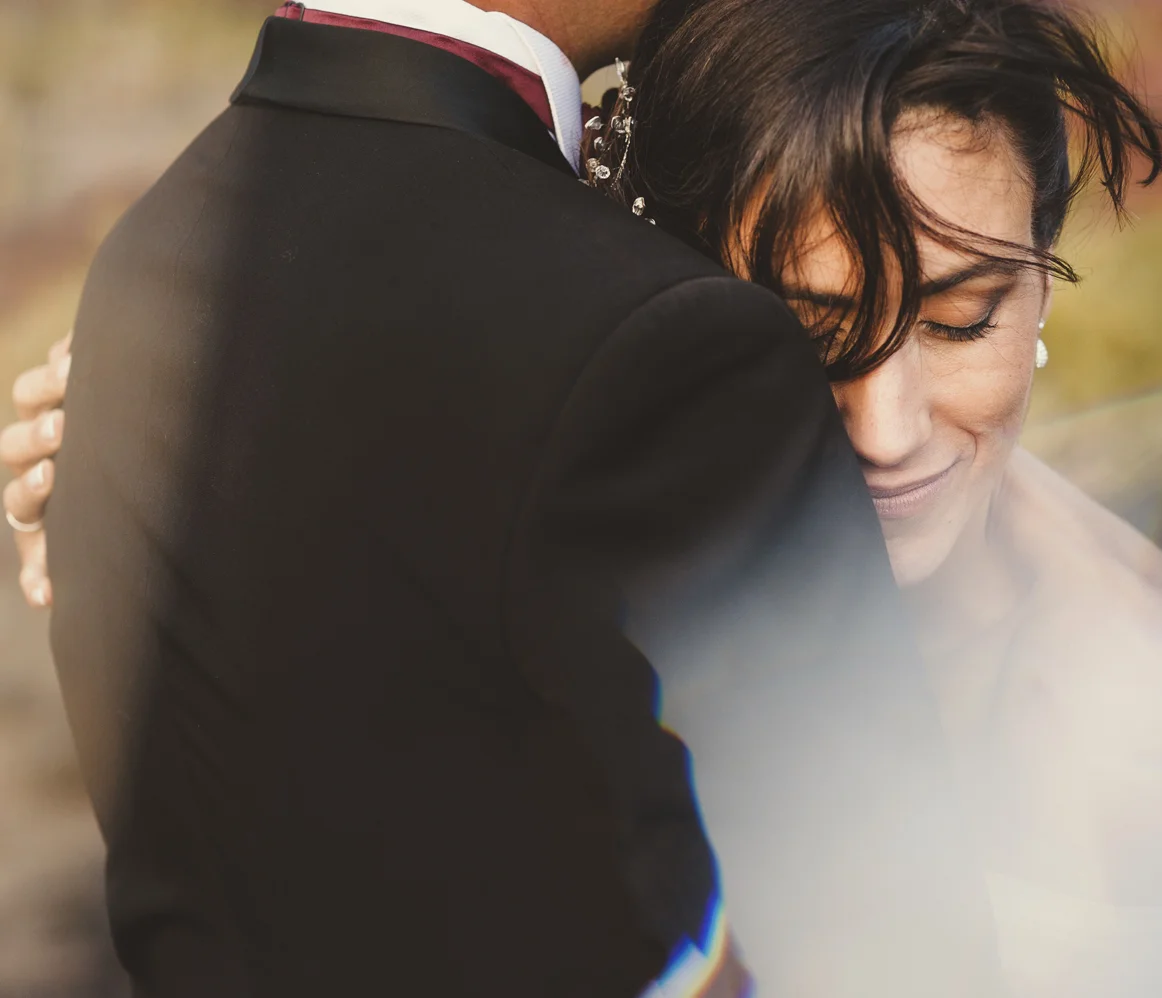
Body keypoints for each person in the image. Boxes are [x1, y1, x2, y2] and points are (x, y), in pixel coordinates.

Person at [10, 0, 1162, 993]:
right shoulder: (594, 522)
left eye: (969, 318)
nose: (890, 424)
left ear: (1046, 292)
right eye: (799, 340)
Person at [0, 1, 1003, 996]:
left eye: (964, 313)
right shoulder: (657, 337)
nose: (888, 418)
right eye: (826, 333)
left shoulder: (148, 256)